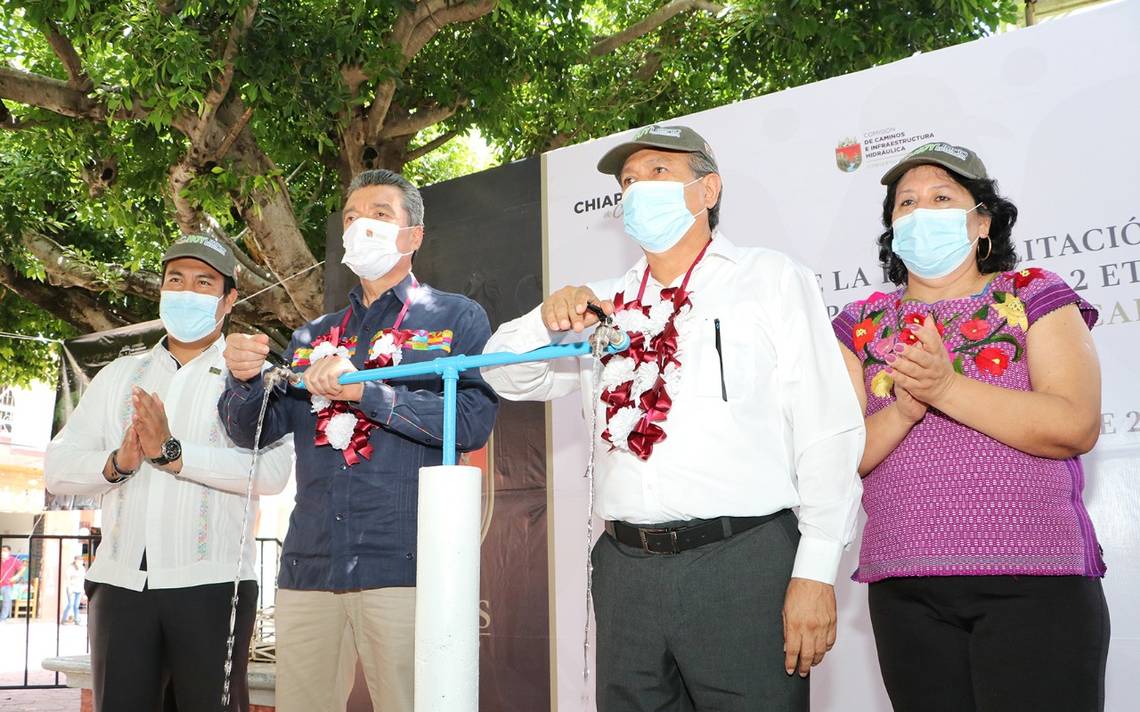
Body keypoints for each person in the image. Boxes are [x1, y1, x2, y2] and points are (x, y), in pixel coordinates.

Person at [481, 124, 865, 712]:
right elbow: (503, 372)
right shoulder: (602, 304)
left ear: (708, 190)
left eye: (658, 173)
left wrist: (814, 572)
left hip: (742, 561)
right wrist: (545, 319)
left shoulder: (770, 279)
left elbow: (827, 430)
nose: (638, 189)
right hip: (626, 569)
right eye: (628, 180)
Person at [831, 141, 1110, 712]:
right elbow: (837, 458)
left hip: (1036, 579)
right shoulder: (859, 323)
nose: (921, 212)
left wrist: (946, 388)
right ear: (891, 227)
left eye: (941, 197)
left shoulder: (1031, 294)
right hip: (904, 588)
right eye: (906, 203)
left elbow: (1074, 424)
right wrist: (906, 410)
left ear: (981, 221)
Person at [219, 168, 499, 712]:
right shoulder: (310, 337)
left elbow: (470, 424)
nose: (360, 227)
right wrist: (243, 378)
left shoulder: (457, 318)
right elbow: (247, 430)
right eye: (351, 217)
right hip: (310, 565)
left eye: (379, 215)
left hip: (405, 566)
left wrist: (367, 394)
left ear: (413, 235)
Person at [45, 234, 294, 712]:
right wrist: (119, 464)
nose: (186, 292)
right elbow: (57, 468)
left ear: (229, 299)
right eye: (175, 280)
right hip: (119, 585)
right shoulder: (120, 375)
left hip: (214, 584)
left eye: (203, 283)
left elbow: (273, 473)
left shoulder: (254, 376)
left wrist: (174, 454)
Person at [1, 545, 25, 621]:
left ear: (9, 552)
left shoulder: (13, 560)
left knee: (6, 601)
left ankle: (2, 618)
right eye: (2, 550)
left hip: (7, 585)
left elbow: (23, 568)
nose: (3, 552)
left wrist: (16, 577)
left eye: (5, 550)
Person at [60, 555, 86, 624]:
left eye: (81, 560)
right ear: (75, 560)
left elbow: (83, 580)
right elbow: (68, 579)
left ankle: (77, 620)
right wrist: (69, 588)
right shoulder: (70, 568)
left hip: (79, 589)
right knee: (70, 604)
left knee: (76, 606)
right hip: (72, 589)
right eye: (79, 560)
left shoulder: (82, 569)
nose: (80, 562)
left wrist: (83, 590)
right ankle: (64, 619)